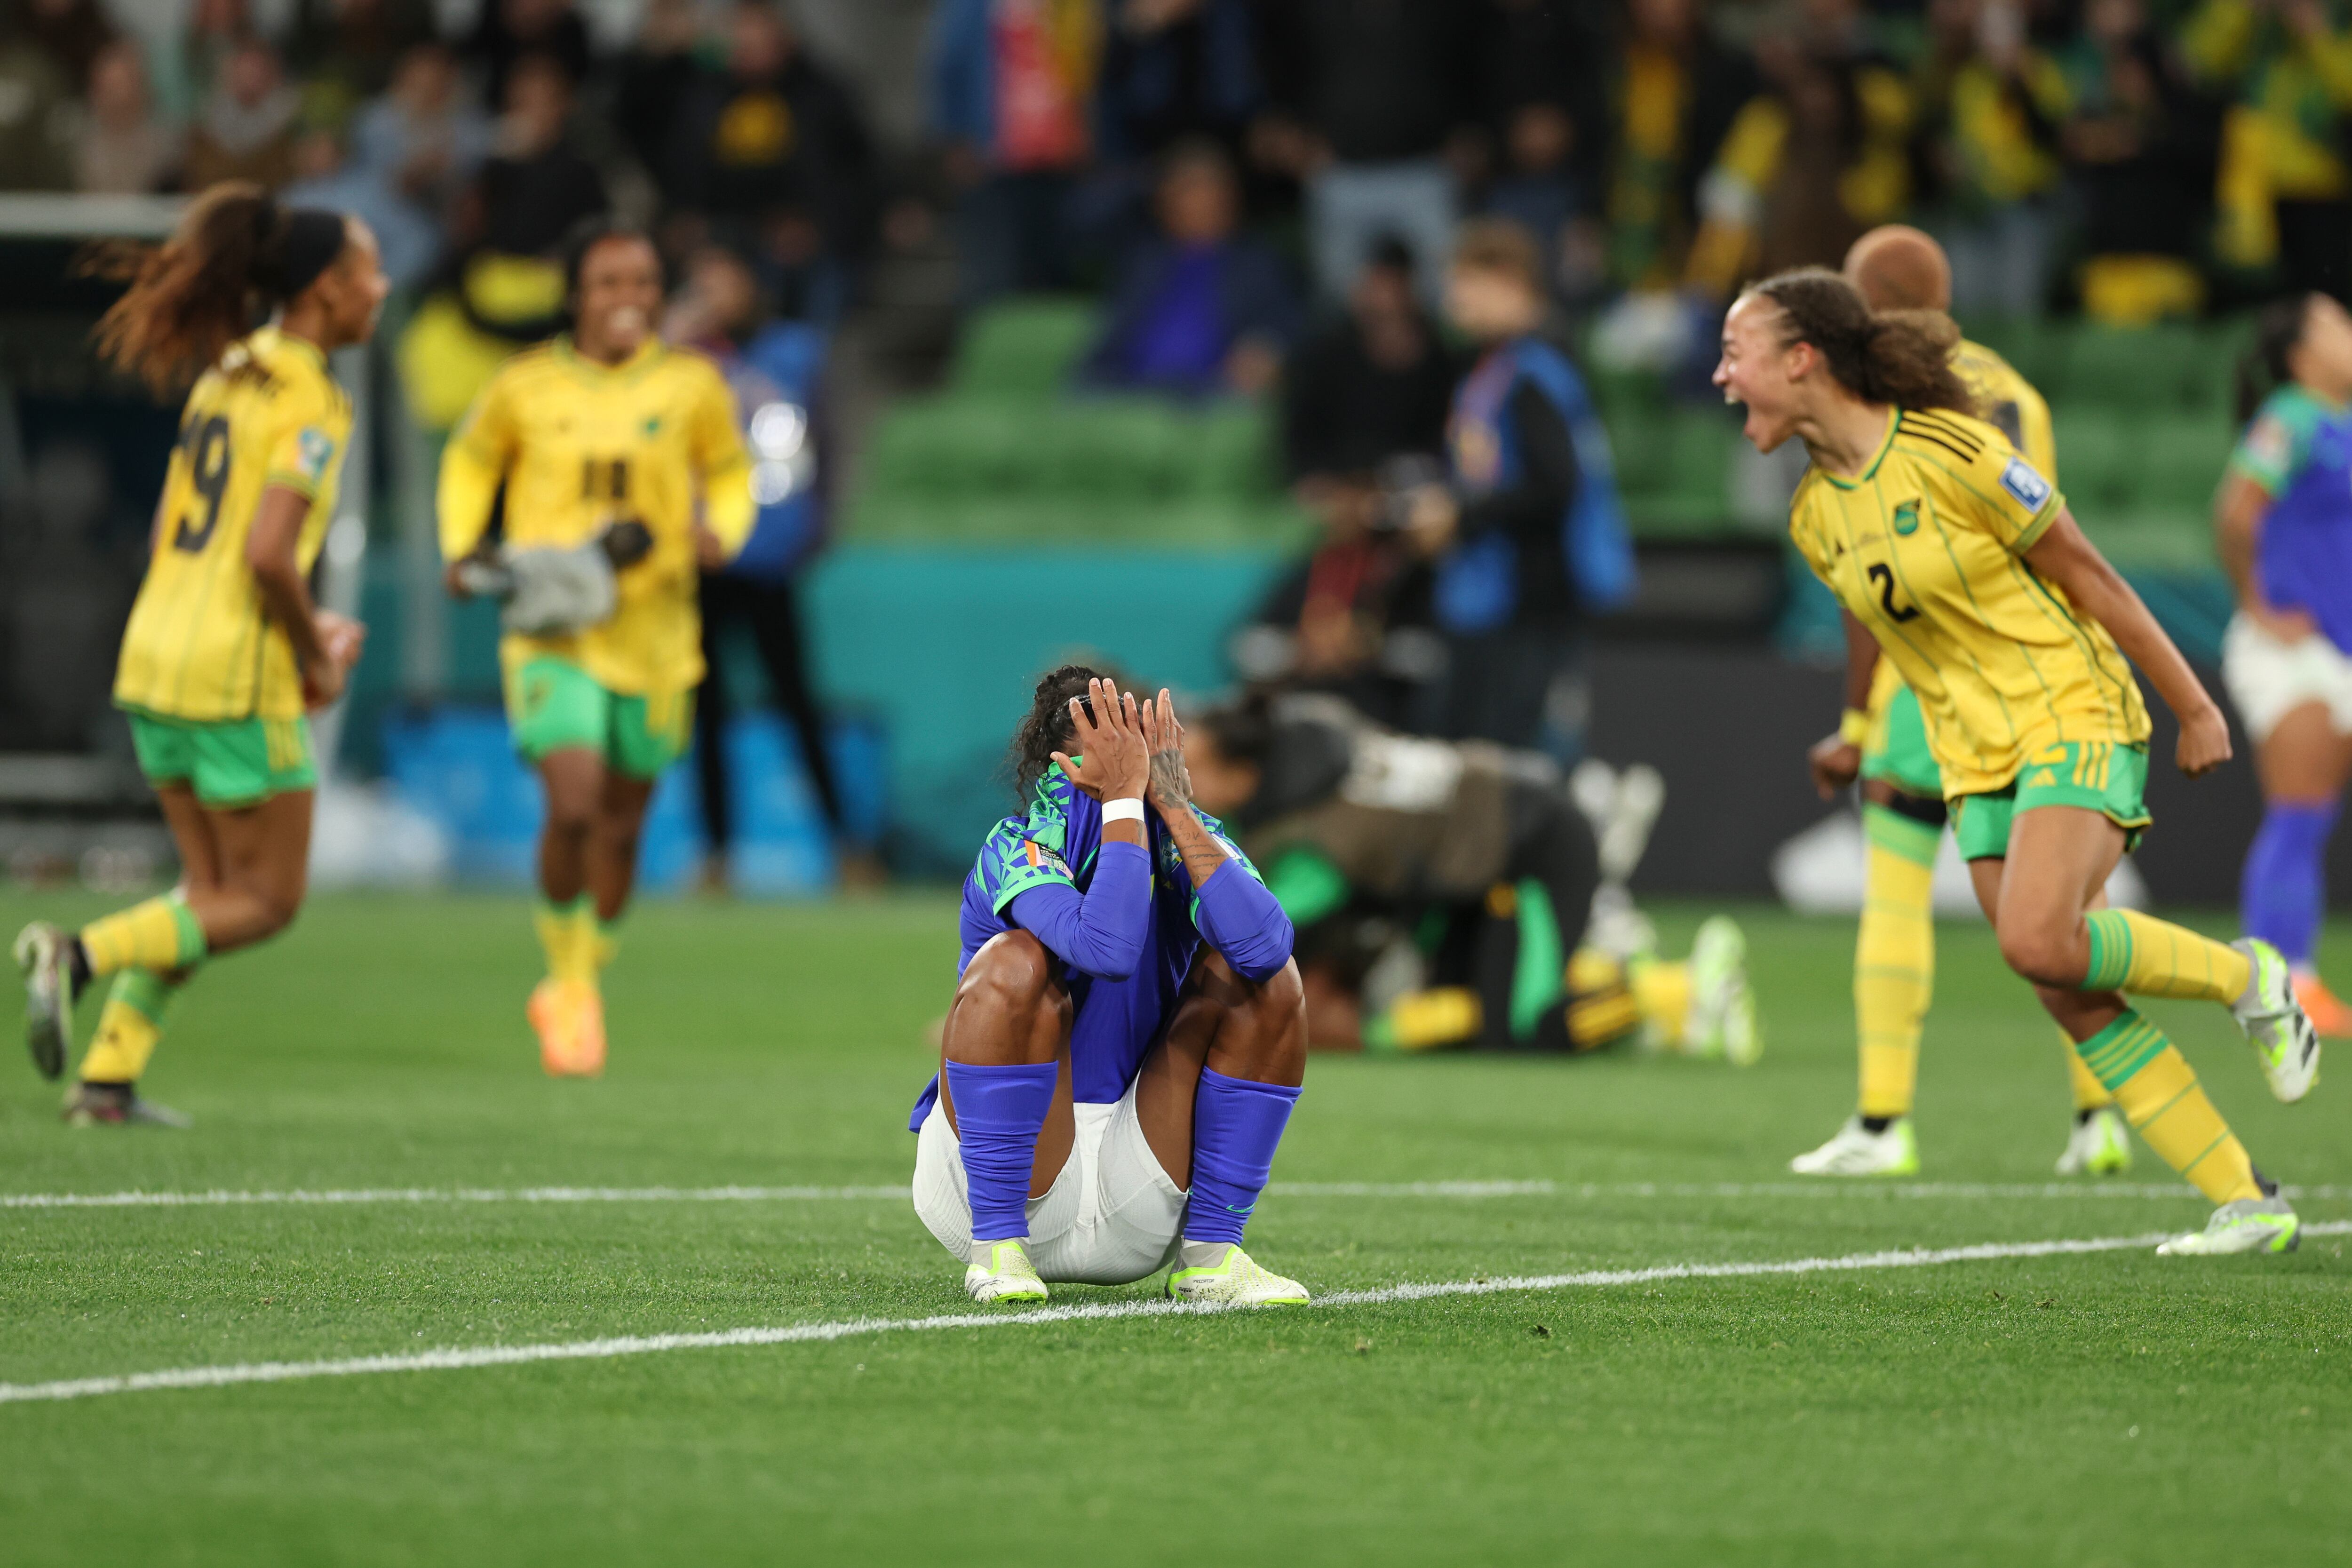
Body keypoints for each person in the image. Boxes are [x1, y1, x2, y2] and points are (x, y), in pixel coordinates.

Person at [1716, 265, 2320, 1257]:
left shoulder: (1955, 448)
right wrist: (1861, 730)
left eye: (1735, 352)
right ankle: (2243, 1197)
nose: (1719, 375)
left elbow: (2090, 572)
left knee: (2041, 940)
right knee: (2058, 978)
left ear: (1801, 359)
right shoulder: (1815, 517)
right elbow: (1876, 628)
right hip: (1968, 752)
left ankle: (2245, 975)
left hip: (2069, 707)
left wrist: (2194, 704)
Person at [14, 184, 385, 1124]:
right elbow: (267, 554)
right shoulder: (307, 393)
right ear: (327, 288)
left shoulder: (231, 372)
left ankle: (107, 1079)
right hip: (232, 672)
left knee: (206, 893)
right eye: (369, 268)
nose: (381, 287)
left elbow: (186, 535)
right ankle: (78, 951)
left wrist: (305, 625)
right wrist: (319, 651)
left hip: (156, 654)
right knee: (264, 903)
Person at [1791, 223, 2132, 1179]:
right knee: (2070, 903)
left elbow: (1868, 582)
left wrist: (1857, 722)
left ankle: (1880, 1120)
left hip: (1928, 681)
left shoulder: (1873, 396)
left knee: (1895, 888)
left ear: (1863, 302)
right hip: (2038, 676)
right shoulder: (2015, 387)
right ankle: (2098, 1116)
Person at [437, 225, 755, 1077]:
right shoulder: (526, 386)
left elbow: (728, 472)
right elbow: (471, 461)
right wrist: (461, 542)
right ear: (576, 293)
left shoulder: (692, 385)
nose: (630, 296)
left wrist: (721, 528)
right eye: (610, 280)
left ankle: (584, 972)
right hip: (553, 631)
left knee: (622, 825)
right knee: (574, 803)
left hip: (655, 637)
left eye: (645, 280)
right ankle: (567, 982)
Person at [914, 671, 1309, 1306]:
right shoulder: (1019, 847)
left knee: (1269, 980)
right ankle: (997, 1252)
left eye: (1143, 740)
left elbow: (1266, 948)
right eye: (1115, 741)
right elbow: (1109, 949)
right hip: (1001, 1187)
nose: (1137, 757)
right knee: (1014, 963)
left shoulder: (1182, 835)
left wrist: (1175, 806)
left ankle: (1211, 1256)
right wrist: (1126, 803)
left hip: (1139, 1184)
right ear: (1065, 765)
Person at [1180, 692, 1758, 1064]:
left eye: (1196, 766)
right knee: (1466, 1027)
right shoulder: (1317, 739)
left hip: (1533, 850)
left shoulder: (1314, 833)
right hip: (1471, 879)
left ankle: (1675, 991)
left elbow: (1260, 929)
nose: (1184, 778)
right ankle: (1609, 975)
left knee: (1526, 1034)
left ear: (1244, 772)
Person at [661, 244, 873, 889]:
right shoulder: (682, 358)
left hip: (771, 560)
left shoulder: (795, 353)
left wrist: (821, 526)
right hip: (702, 559)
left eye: (726, 280)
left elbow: (831, 439)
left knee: (797, 705)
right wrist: (674, 335)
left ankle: (848, 850)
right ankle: (717, 856)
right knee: (707, 713)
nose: (716, 295)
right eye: (704, 283)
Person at [1404, 219, 1635, 764]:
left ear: (1509, 282)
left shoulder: (1537, 372)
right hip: (1489, 597)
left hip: (1530, 597)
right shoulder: (1491, 370)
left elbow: (1557, 485)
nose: (1452, 299)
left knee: (1510, 755)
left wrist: (1459, 515)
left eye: (1465, 284)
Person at [2216, 291, 2352, 1036]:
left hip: (2339, 645)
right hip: (2292, 648)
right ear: (2302, 352)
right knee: (2299, 813)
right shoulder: (2292, 418)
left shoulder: (2342, 425)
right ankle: (2282, 983)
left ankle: (2286, 977)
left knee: (2316, 814)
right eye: (2336, 324)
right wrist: (2261, 604)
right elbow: (2236, 512)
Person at [1077, 139, 1300, 398]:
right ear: (1163, 202)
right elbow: (1082, 224)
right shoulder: (1143, 262)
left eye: (1210, 190)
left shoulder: (1260, 265)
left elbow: (1285, 327)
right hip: (1129, 387)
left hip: (1212, 392)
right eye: (1186, 191)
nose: (1201, 202)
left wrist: (1268, 350)